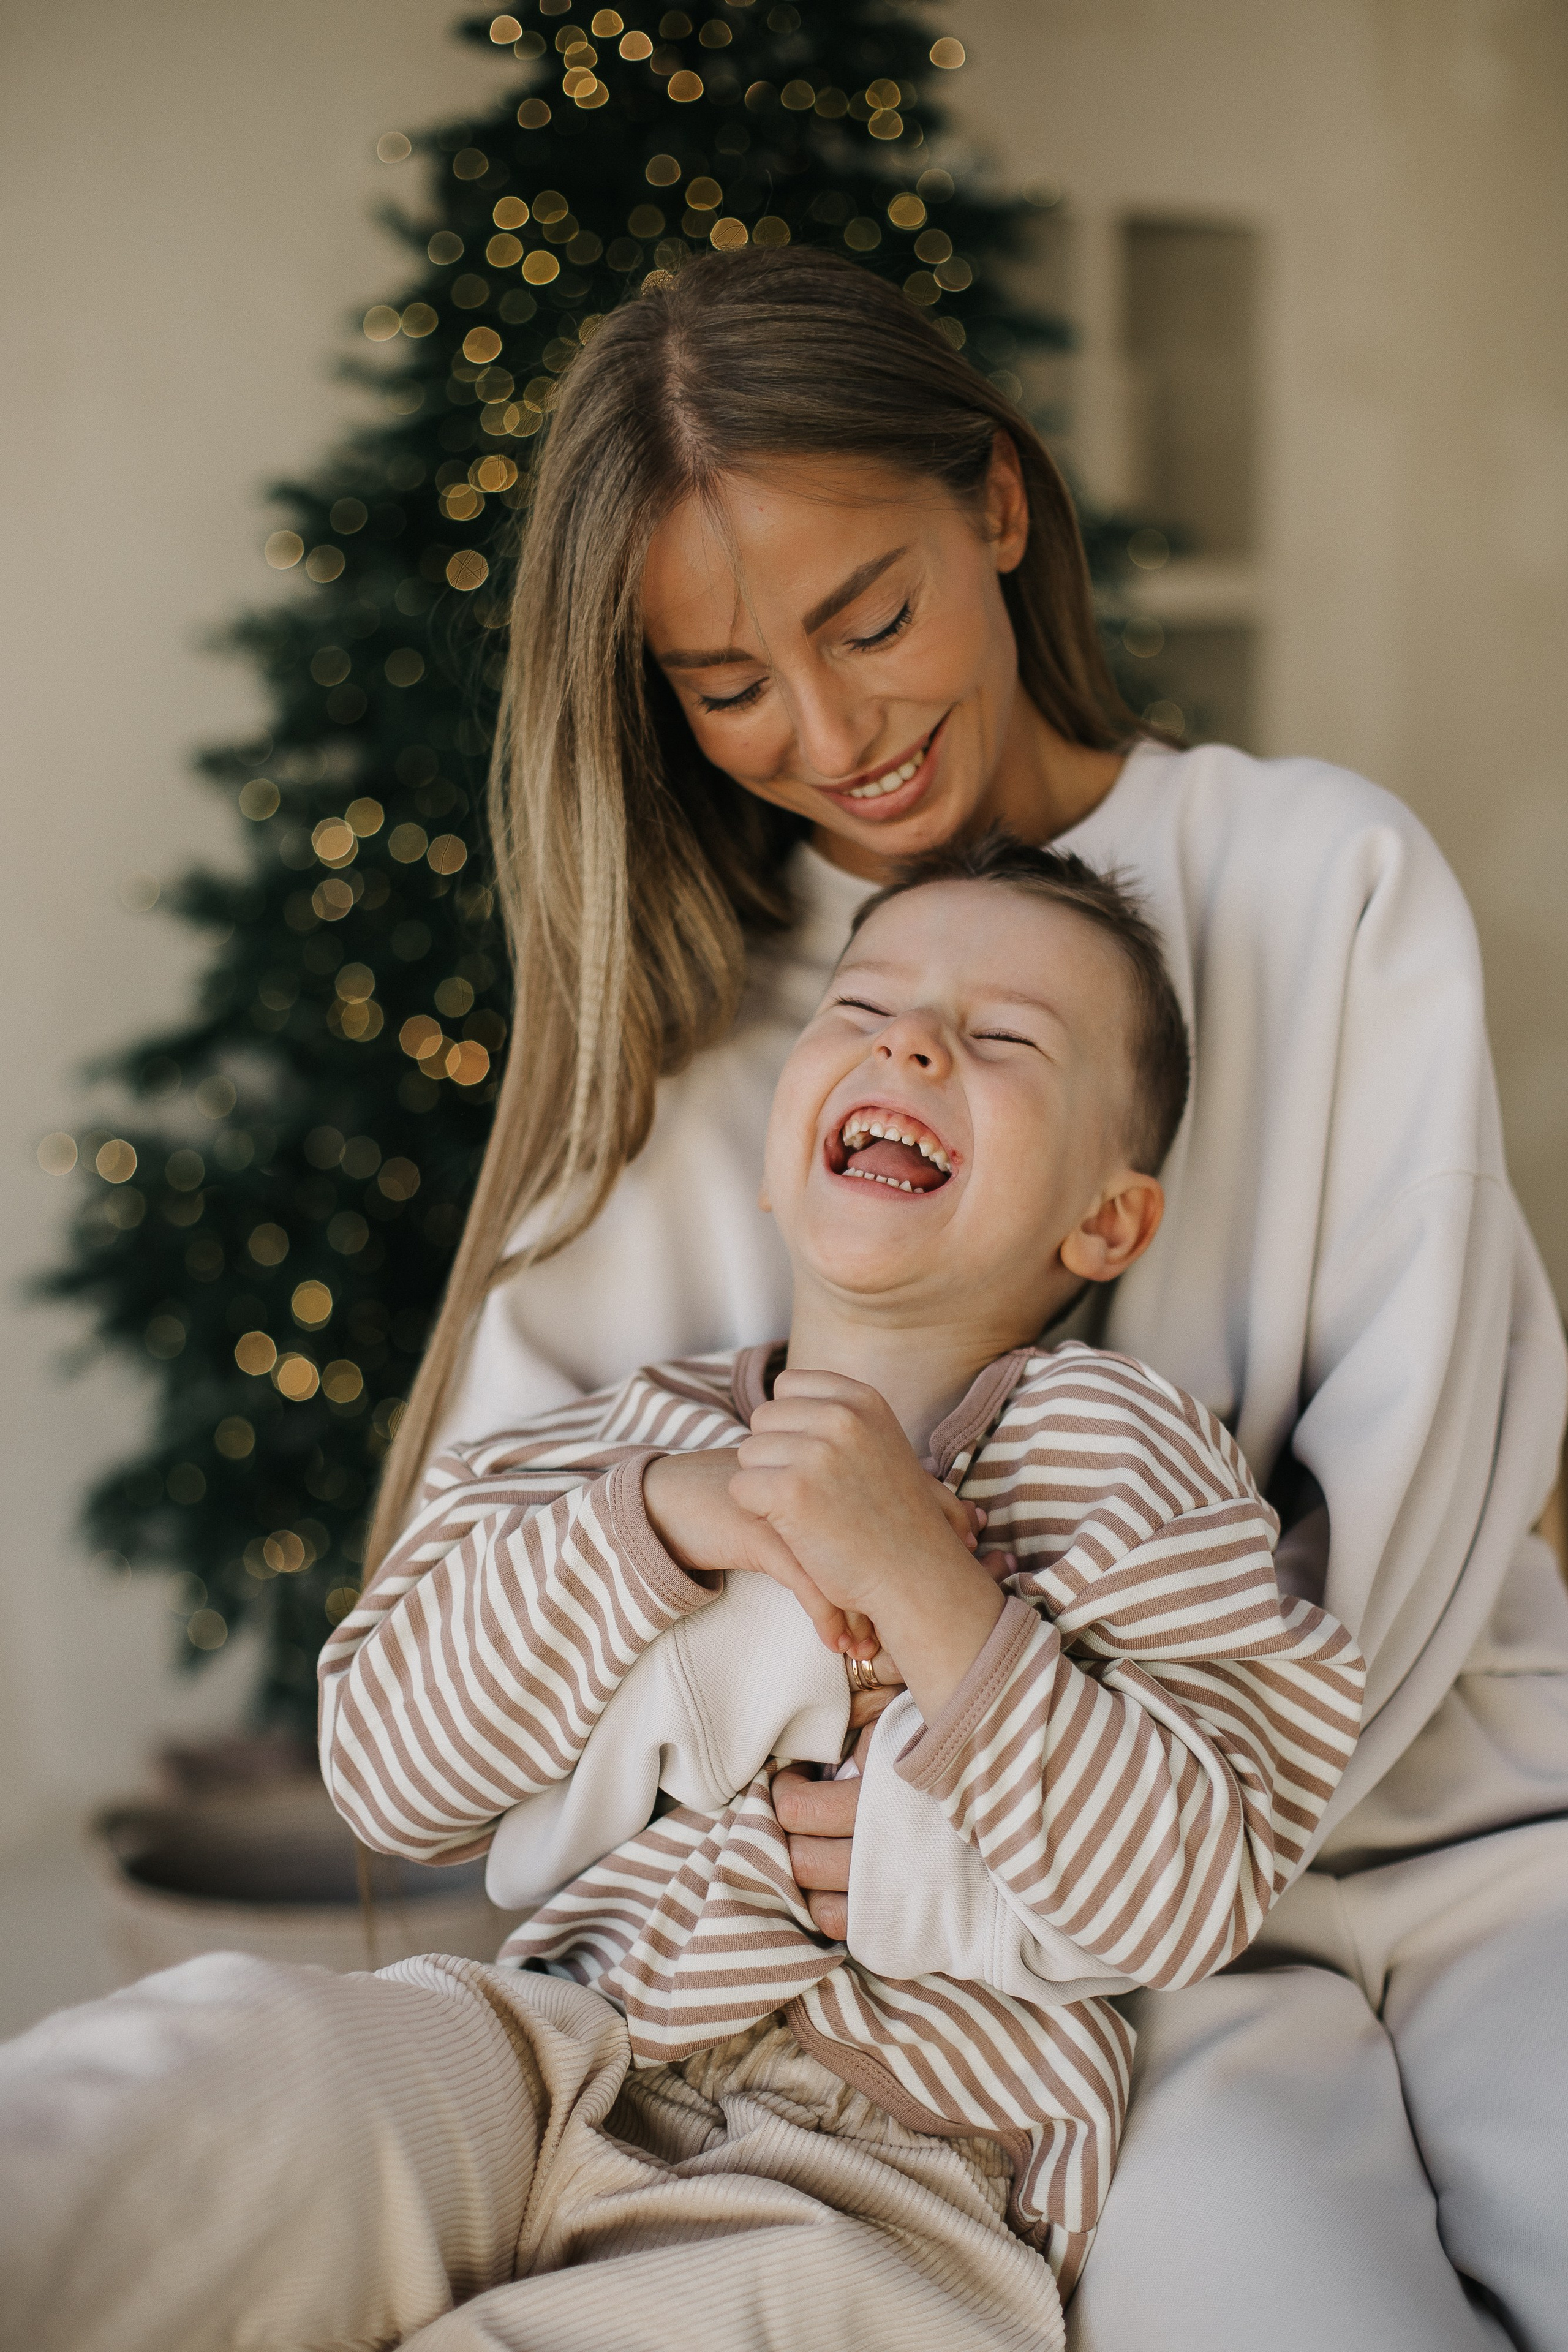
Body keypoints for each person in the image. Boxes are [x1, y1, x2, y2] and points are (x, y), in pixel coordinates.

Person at [369, 247, 1568, 2351]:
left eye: (871, 617)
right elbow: (497, 1718)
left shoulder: (1327, 879)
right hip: (1043, 1998)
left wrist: (965, 1866)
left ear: (998, 507)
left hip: (1447, 1844)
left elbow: (1427, 1500)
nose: (829, 734)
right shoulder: (710, 1036)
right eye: (729, 684)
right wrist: (958, 1899)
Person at [316, 839, 1365, 2342]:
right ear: (773, 1148)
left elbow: (1187, 1891)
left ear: (1106, 1222)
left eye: (1001, 1038)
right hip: (534, 2047)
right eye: (863, 1007)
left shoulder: (1134, 1456)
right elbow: (384, 1779)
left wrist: (928, 1583)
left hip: (893, 2161)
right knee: (211, 2096)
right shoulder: (615, 1441)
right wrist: (678, 1518)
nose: (914, 1039)